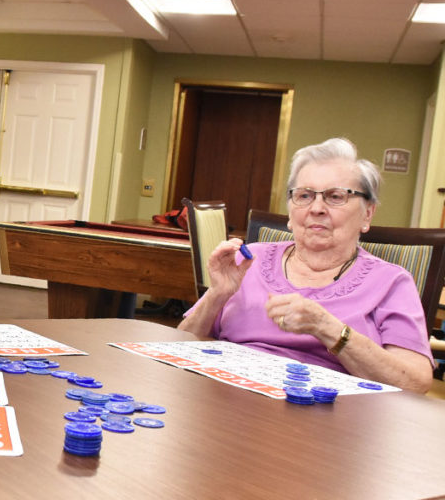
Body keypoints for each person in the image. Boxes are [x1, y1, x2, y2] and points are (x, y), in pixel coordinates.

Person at [179, 137, 433, 393]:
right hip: (229, 404)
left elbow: (415, 382)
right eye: (304, 195)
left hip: (328, 417)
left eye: (335, 196)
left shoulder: (391, 282)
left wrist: (328, 329)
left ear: (367, 214)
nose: (317, 208)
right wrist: (217, 295)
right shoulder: (247, 262)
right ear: (290, 213)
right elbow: (179, 347)